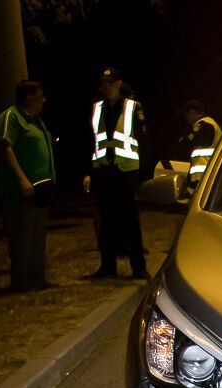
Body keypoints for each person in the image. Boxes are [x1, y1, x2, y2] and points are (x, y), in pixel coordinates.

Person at [85, 67, 148, 279]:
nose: (107, 87)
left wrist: (143, 175)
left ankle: (138, 268)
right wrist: (88, 172)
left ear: (119, 84)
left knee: (130, 221)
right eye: (104, 83)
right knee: (106, 222)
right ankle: (107, 266)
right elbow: (90, 142)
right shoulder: (97, 109)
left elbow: (144, 142)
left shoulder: (132, 107)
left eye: (111, 83)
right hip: (104, 171)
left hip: (126, 172)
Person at [0, 80, 55, 291]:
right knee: (22, 236)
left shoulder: (37, 121)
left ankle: (37, 278)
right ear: (28, 97)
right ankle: (21, 281)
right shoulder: (12, 116)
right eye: (40, 96)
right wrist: (22, 178)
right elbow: (5, 147)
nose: (43, 100)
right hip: (20, 190)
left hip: (41, 189)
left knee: (37, 236)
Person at [180, 99, 222, 193]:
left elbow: (188, 145)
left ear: (192, 112)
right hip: (209, 173)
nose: (186, 119)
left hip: (204, 174)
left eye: (186, 115)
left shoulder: (204, 125)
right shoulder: (211, 124)